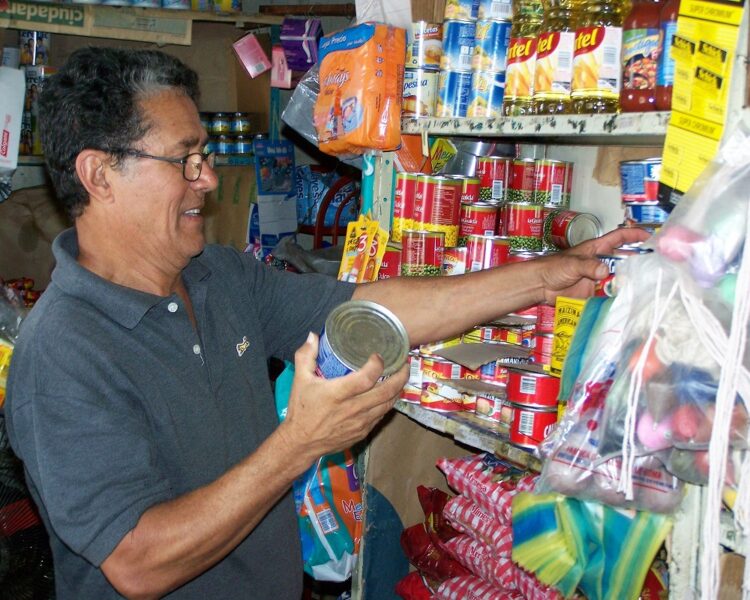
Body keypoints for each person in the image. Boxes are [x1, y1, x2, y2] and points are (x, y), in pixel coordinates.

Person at [4, 47, 648, 599]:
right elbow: (138, 562)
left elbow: (372, 310)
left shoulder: (219, 276)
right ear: (99, 176)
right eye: (185, 159)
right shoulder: (63, 351)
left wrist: (546, 276)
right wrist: (302, 441)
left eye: (204, 154)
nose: (208, 178)